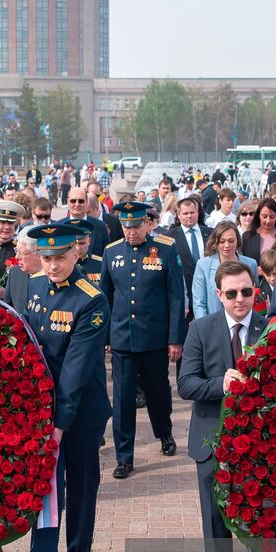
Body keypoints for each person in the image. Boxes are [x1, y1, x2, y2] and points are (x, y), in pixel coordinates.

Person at [17, 223, 112, 552]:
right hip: (41, 413)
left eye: (61, 257)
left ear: (77, 254)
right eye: (47, 257)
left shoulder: (91, 300)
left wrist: (61, 422)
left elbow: (76, 369)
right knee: (45, 494)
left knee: (81, 488)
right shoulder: (34, 287)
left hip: (80, 413)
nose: (53, 265)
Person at [177, 259, 270, 552]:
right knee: (216, 523)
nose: (240, 300)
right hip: (211, 439)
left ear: (255, 291)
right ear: (219, 295)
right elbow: (186, 384)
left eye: (246, 292)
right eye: (231, 294)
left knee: (259, 510)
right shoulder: (201, 329)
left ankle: (257, 550)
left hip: (260, 440)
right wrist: (222, 385)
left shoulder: (268, 329)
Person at [100, 202, 187, 479]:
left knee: (158, 393)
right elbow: (106, 297)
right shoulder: (111, 252)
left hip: (154, 338)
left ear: (147, 224)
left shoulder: (164, 249)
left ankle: (164, 433)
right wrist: (107, 335)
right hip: (123, 339)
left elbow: (175, 296)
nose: (131, 232)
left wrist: (175, 338)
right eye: (126, 226)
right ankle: (124, 457)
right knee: (123, 401)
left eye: (136, 226)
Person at [191, 221, 258, 319]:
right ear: (215, 241)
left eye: (231, 241)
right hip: (213, 324)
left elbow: (254, 296)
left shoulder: (251, 264)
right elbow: (199, 304)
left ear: (237, 241)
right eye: (222, 241)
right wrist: (205, 328)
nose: (227, 245)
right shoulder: (203, 265)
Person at [172, 197, 206, 317]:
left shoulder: (211, 234)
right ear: (179, 215)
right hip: (182, 295)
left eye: (192, 212)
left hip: (208, 294)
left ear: (198, 213)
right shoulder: (168, 237)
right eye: (185, 213)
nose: (189, 216)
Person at [240, 197, 276, 264]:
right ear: (258, 215)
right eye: (264, 216)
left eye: (272, 217)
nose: (268, 221)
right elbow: (243, 261)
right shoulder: (247, 236)